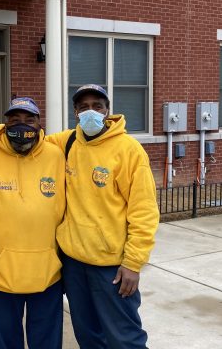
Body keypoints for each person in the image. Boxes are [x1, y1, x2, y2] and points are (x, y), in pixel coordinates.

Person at [46, 84, 160, 349]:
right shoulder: (69, 141)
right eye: (83, 107)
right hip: (74, 263)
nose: (90, 112)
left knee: (124, 338)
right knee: (88, 336)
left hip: (112, 267)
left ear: (108, 111)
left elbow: (144, 211)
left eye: (97, 106)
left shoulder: (128, 150)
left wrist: (133, 262)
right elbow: (32, 138)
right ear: (75, 112)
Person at [0, 97, 66, 349]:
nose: (22, 125)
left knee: (46, 343)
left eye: (29, 119)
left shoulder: (56, 154)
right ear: (5, 123)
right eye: (14, 120)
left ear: (39, 123)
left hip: (47, 274)